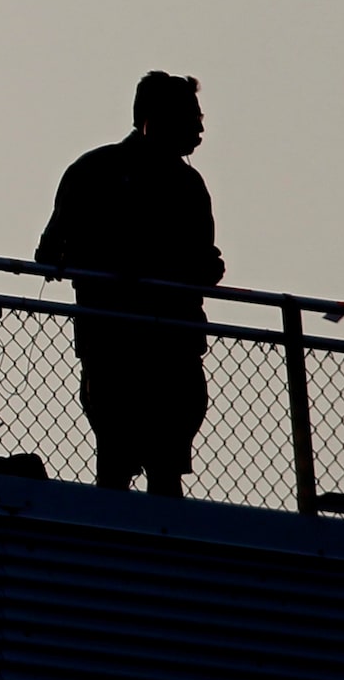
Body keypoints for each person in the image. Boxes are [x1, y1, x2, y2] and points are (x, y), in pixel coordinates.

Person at [36, 71, 223, 497]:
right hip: (133, 346)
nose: (199, 128)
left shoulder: (104, 171)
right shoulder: (164, 182)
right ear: (155, 118)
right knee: (144, 469)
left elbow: (49, 254)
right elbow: (51, 254)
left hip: (142, 344)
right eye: (191, 116)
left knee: (135, 467)